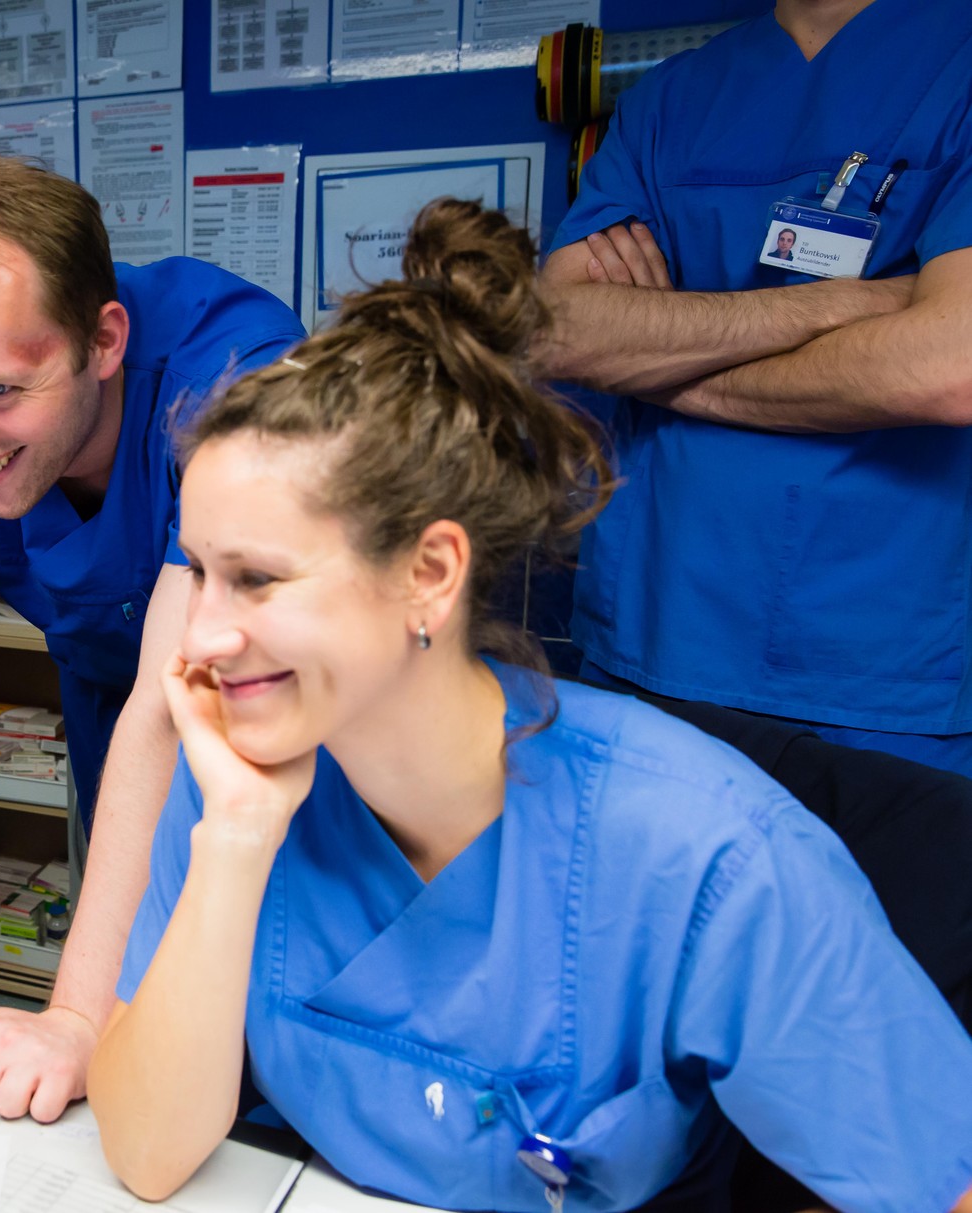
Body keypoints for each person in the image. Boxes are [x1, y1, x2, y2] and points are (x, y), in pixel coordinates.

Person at [88, 199, 972, 1213]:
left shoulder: (709, 855)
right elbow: (147, 1153)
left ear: (428, 572)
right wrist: (236, 839)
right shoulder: (233, 787)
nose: (198, 638)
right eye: (197, 572)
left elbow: (936, 1184)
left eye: (254, 578)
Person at [0, 157, 304, 1119]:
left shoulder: (232, 373)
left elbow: (176, 706)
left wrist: (78, 1016)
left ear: (103, 340)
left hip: (259, 713)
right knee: (135, 1024)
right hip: (103, 694)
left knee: (254, 1013)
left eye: (0, 392)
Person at [536, 0, 972, 775]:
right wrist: (840, 305)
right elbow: (559, 331)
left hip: (888, 678)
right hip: (650, 643)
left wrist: (656, 356)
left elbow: (945, 365)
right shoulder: (668, 101)